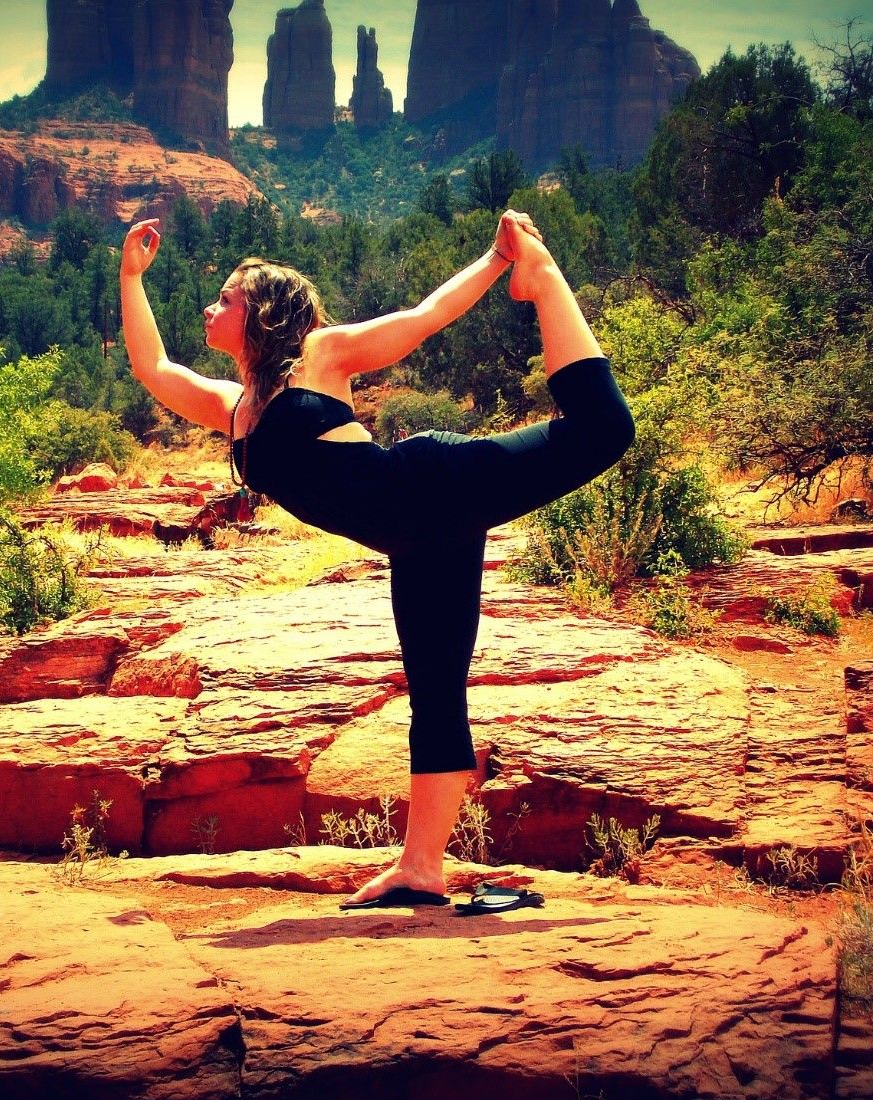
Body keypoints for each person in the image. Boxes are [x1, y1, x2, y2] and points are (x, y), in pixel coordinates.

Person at [120, 209, 634, 907]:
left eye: (227, 299)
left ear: (262, 311)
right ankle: (422, 869)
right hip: (420, 537)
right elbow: (153, 368)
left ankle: (542, 276)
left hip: (433, 482)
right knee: (436, 692)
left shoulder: (320, 358)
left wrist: (497, 261)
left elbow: (422, 317)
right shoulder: (235, 406)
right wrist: (130, 279)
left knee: (603, 430)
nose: (212, 308)